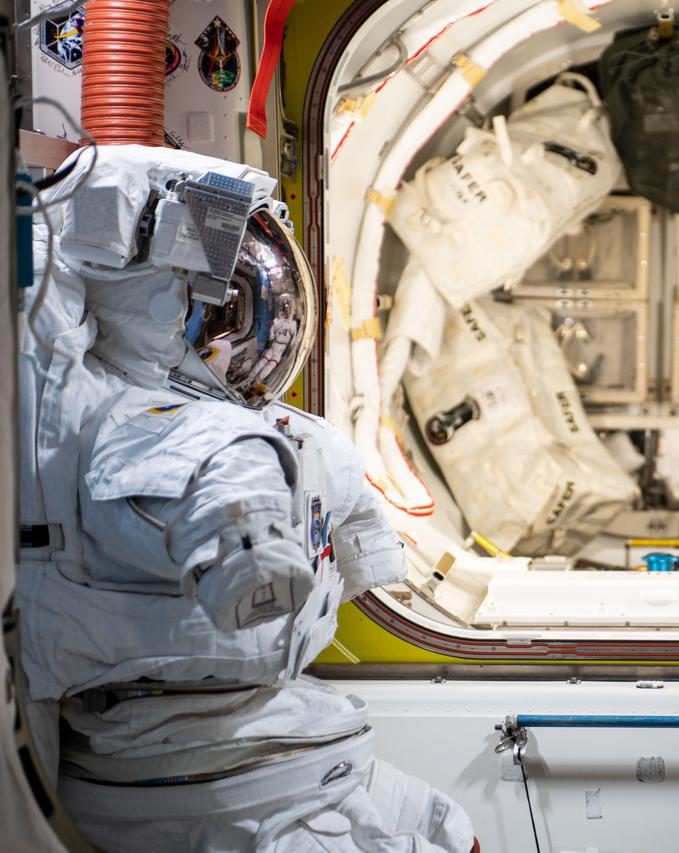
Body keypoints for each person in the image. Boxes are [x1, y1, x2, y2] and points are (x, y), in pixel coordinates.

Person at [16, 145, 476, 852]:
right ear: (169, 309)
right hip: (195, 770)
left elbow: (321, 483)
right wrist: (249, 553)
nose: (274, 335)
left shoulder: (260, 430)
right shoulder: (142, 427)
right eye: (240, 313)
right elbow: (218, 482)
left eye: (275, 310)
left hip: (283, 737)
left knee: (451, 827)